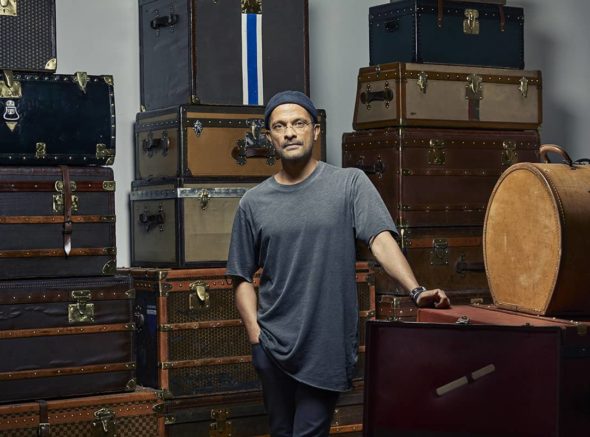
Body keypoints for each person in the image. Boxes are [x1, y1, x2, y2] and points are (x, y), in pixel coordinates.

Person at [226, 90, 450, 436]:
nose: (290, 133)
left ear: (316, 131)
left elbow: (381, 240)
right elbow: (240, 276)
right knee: (281, 432)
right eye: (280, 126)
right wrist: (256, 337)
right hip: (272, 345)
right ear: (269, 137)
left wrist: (416, 290)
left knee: (309, 432)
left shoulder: (349, 184)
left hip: (325, 343)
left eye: (299, 123)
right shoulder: (253, 202)